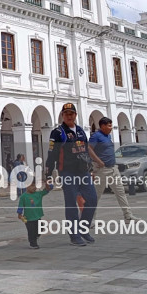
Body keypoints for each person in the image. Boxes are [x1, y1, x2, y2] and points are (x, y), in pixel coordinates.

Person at [45, 103, 97, 247]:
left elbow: (85, 151)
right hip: (67, 172)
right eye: (66, 113)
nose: (69, 116)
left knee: (92, 199)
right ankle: (74, 235)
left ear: (75, 115)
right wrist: (48, 175)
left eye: (72, 113)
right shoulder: (58, 133)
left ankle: (83, 228)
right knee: (71, 204)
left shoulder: (80, 131)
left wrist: (90, 170)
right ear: (62, 115)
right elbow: (52, 154)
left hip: (83, 172)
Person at [88, 116, 134, 222]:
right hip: (102, 170)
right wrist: (98, 161)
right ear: (102, 126)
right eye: (109, 125)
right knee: (95, 195)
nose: (111, 127)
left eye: (111, 125)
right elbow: (89, 149)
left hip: (113, 169)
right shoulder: (96, 136)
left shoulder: (108, 136)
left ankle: (128, 216)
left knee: (120, 192)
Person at [17, 181, 53, 249]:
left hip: (37, 216)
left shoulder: (38, 194)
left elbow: (47, 190)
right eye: (32, 186)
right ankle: (33, 243)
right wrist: (19, 213)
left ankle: (36, 236)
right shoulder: (23, 196)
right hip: (28, 218)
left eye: (35, 186)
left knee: (41, 228)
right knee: (31, 231)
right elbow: (20, 206)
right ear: (26, 186)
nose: (34, 188)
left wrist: (49, 185)